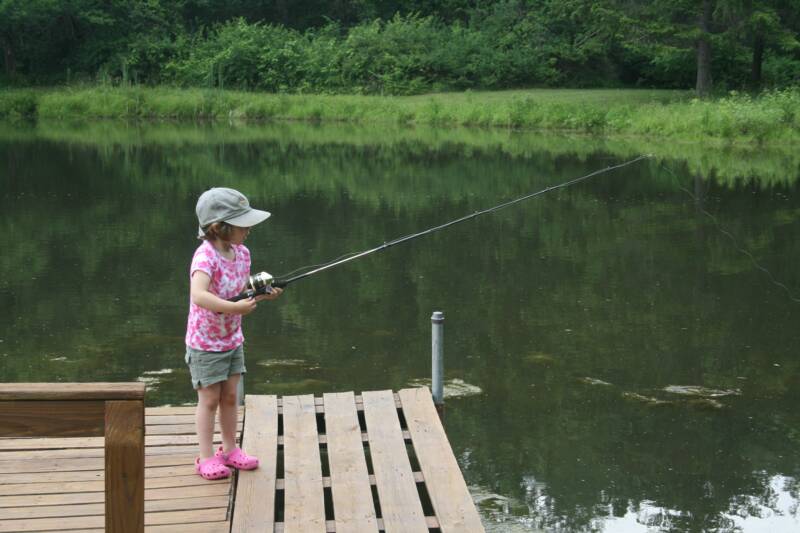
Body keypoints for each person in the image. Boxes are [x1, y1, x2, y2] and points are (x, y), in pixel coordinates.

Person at [185, 187, 283, 480]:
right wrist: (234, 308)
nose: (248, 229)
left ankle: (229, 450)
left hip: (231, 339)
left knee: (230, 397)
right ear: (219, 227)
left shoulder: (242, 254)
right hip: (205, 343)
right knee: (209, 400)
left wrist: (261, 295)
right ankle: (205, 458)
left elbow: (239, 292)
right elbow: (199, 295)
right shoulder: (205, 257)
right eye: (242, 224)